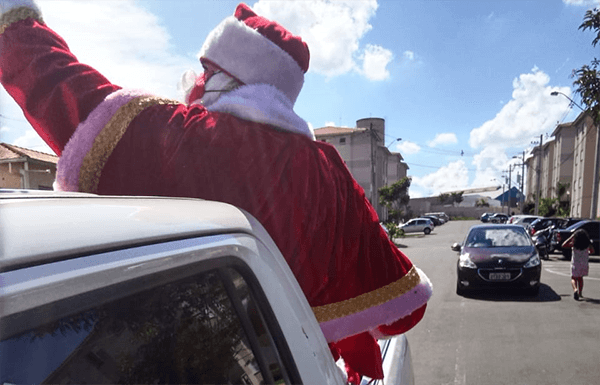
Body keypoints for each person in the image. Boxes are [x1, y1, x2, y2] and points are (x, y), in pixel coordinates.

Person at [0, 1, 432, 382]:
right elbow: (404, 306)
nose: (195, 81)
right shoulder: (327, 170)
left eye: (206, 70)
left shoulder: (195, 138)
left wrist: (15, 24)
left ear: (227, 76)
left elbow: (68, 91)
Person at [562, 229, 594, 300]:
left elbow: (563, 245)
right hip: (584, 264)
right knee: (580, 278)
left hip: (575, 264)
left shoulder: (574, 245)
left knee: (573, 278)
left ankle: (575, 290)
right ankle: (580, 293)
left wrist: (571, 237)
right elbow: (592, 251)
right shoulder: (587, 245)